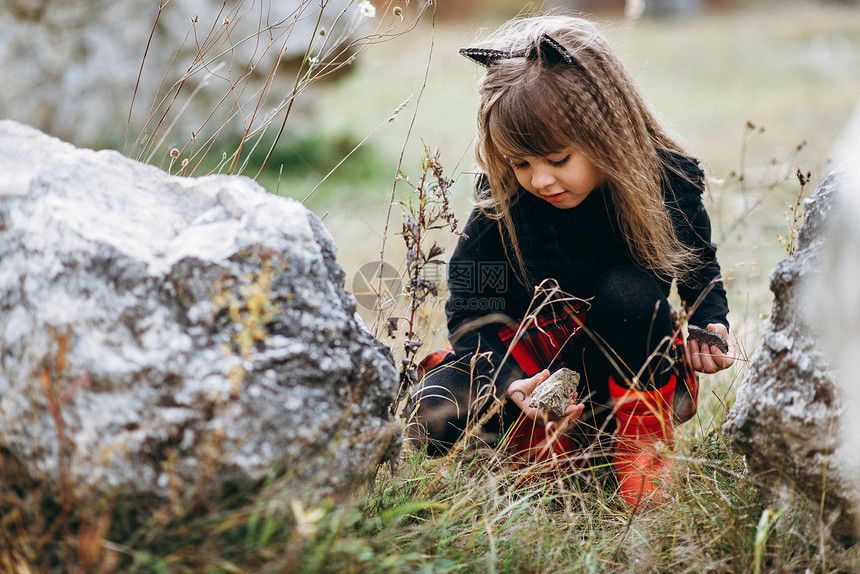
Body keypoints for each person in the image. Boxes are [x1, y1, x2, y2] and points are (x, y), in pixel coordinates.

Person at [408, 15, 734, 508]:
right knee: (431, 415)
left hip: (627, 352)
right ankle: (537, 445)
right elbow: (472, 308)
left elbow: (696, 268)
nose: (539, 180)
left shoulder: (665, 182)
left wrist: (711, 325)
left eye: (557, 160)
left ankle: (638, 446)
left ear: (607, 134)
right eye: (521, 163)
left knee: (631, 290)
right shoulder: (502, 202)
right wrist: (508, 381)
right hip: (532, 359)